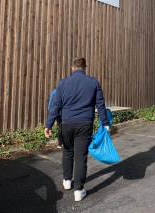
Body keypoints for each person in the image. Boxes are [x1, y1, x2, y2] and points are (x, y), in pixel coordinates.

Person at [45, 57, 109, 201]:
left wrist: (48, 125)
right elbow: (100, 104)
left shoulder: (63, 83)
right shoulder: (93, 82)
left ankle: (67, 181)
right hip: (84, 124)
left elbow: (56, 106)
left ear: (72, 68)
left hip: (66, 123)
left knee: (67, 151)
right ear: (85, 67)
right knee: (81, 156)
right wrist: (105, 123)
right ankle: (79, 191)